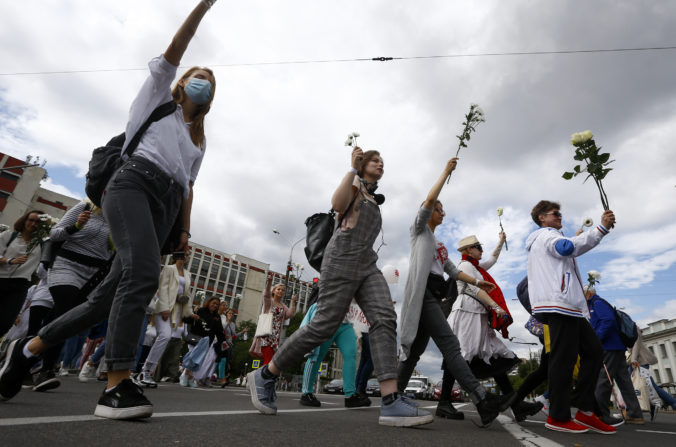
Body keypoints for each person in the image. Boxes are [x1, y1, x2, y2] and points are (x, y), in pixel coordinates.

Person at [0, 1, 218, 420]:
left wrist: (184, 233)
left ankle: (27, 348)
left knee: (104, 299)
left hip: (166, 204)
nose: (203, 84)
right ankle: (116, 385)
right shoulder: (157, 98)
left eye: (210, 82)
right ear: (182, 81)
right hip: (133, 183)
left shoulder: (199, 141)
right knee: (141, 275)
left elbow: (188, 188)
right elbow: (177, 46)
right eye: (198, 77)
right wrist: (201, 9)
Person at [248, 147, 434, 427]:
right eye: (374, 159)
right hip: (342, 258)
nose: (380, 163)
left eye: (382, 161)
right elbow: (337, 204)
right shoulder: (355, 185)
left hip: (367, 262)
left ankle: (391, 401)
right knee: (323, 325)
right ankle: (265, 375)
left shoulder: (373, 197)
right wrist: (351, 170)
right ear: (362, 164)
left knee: (384, 318)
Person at [397, 158, 515, 427]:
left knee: (414, 353)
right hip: (423, 293)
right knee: (451, 346)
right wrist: (445, 172)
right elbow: (428, 200)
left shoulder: (439, 243)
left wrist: (477, 283)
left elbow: (451, 269)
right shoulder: (418, 230)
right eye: (439, 209)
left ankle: (394, 397)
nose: (442, 213)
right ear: (428, 212)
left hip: (435, 297)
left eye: (442, 209)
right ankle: (483, 400)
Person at [526, 200, 616, 434]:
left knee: (594, 352)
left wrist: (582, 235)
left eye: (559, 213)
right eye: (555, 213)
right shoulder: (545, 235)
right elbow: (566, 248)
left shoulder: (552, 235)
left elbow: (567, 249)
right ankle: (557, 415)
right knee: (563, 360)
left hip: (570, 306)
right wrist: (601, 229)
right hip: (559, 304)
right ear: (541, 218)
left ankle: (585, 410)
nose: (559, 216)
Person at [443, 234, 542, 422]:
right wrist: (496, 306)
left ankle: (516, 405)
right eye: (478, 246)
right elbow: (474, 289)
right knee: (461, 356)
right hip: (467, 314)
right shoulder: (465, 266)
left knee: (494, 356)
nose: (481, 250)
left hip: (477, 315)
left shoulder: (475, 267)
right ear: (468, 250)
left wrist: (501, 242)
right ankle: (446, 401)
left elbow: (492, 259)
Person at [31, 199, 113, 391]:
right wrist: (77, 226)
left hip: (94, 273)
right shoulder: (84, 207)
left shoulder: (121, 217)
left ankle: (26, 352)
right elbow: (54, 234)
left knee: (62, 316)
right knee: (65, 308)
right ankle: (46, 369)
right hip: (67, 264)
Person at [586, 286, 644, 425]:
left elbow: (608, 321)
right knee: (624, 381)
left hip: (609, 347)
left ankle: (600, 415)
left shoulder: (597, 303)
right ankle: (635, 414)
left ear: (588, 293)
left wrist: (596, 339)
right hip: (616, 347)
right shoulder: (596, 303)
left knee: (603, 380)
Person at [298, 301, 370, 408]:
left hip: (346, 323)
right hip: (327, 319)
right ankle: (306, 392)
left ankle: (350, 395)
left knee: (351, 355)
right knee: (317, 355)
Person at [138, 250, 194, 388]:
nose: (186, 257)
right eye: (184, 254)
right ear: (177, 256)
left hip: (177, 310)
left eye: (188, 255)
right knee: (165, 336)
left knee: (165, 338)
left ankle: (146, 372)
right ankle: (145, 371)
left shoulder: (188, 274)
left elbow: (187, 295)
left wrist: (189, 313)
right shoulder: (169, 269)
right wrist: (163, 307)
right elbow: (162, 288)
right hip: (165, 308)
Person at [0, 209, 45, 336]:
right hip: (1, 278)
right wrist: (10, 261)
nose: (33, 224)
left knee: (6, 322)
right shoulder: (8, 235)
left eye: (38, 222)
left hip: (20, 285)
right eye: (31, 220)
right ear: (24, 220)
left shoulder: (41, 244)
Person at [255, 273, 297, 365]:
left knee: (270, 361)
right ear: (273, 291)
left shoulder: (283, 305)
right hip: (266, 335)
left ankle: (260, 377)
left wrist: (293, 302)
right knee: (269, 361)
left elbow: (290, 314)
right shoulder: (269, 302)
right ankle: (261, 378)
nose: (281, 291)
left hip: (276, 337)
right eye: (278, 289)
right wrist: (269, 282)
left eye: (283, 290)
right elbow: (266, 295)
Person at [183, 296, 225, 387]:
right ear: (209, 302)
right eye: (213, 303)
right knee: (192, 357)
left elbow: (219, 331)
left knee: (198, 361)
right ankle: (185, 376)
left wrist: (222, 341)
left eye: (217, 304)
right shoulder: (201, 311)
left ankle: (190, 378)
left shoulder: (217, 316)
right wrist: (193, 313)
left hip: (206, 341)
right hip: (196, 338)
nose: (215, 305)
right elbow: (188, 320)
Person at [219, 308, 247, 386]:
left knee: (229, 362)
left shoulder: (232, 324)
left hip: (230, 344)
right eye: (229, 313)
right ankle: (222, 377)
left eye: (232, 314)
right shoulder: (223, 321)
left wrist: (242, 332)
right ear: (226, 314)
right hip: (223, 343)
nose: (231, 315)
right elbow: (221, 330)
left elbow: (234, 336)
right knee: (222, 361)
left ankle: (226, 376)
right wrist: (227, 322)